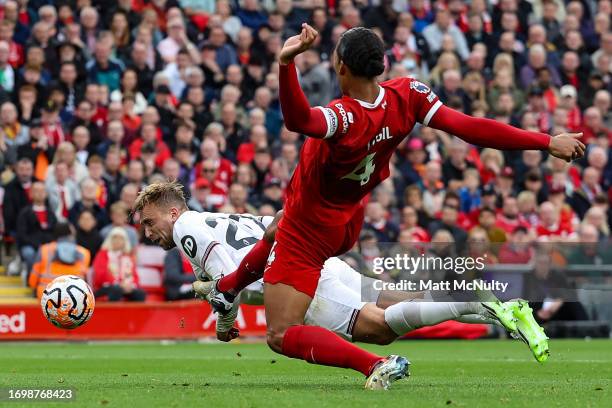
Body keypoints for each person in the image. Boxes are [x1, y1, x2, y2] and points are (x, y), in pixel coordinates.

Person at [187, 24, 582, 388]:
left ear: (340, 66)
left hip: (310, 228)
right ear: (383, 64)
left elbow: (298, 120)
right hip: (348, 219)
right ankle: (227, 288)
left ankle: (375, 362)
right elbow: (468, 126)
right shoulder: (407, 94)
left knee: (280, 333)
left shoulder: (343, 117)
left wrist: (286, 63)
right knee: (275, 224)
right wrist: (546, 141)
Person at [133, 185, 549, 365]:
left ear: (172, 210)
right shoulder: (214, 219)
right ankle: (500, 309)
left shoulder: (186, 227)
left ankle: (472, 302)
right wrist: (224, 316)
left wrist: (222, 306)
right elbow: (231, 281)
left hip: (297, 280)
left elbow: (230, 281)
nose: (149, 234)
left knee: (380, 329)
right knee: (396, 301)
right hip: (318, 260)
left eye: (150, 223)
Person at [28, 222, 90, 298]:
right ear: (70, 233)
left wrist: (33, 287)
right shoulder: (84, 252)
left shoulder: (44, 250)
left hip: (47, 294)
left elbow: (34, 277)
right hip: (75, 296)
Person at [92, 227, 145, 302]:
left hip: (124, 287)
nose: (117, 241)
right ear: (110, 240)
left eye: (120, 238)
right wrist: (118, 283)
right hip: (105, 287)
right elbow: (99, 276)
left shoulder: (127, 257)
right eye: (115, 238)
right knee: (116, 290)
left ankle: (132, 314)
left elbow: (135, 276)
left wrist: (130, 285)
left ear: (124, 241)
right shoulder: (102, 254)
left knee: (140, 293)